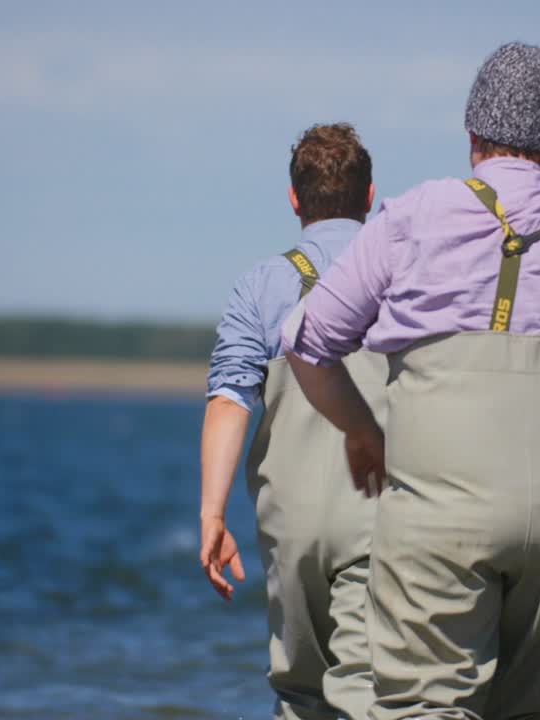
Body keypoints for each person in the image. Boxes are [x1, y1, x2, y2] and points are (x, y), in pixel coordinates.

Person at [281, 43, 540, 718]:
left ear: (473, 133)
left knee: (425, 707)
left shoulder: (414, 217)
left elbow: (308, 343)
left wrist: (362, 431)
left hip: (444, 508)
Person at [199, 123, 387, 720]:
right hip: (387, 509)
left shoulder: (260, 287)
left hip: (293, 525)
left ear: (294, 199)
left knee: (302, 695)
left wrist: (212, 513)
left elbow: (230, 397)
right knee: (373, 688)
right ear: (370, 196)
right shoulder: (408, 274)